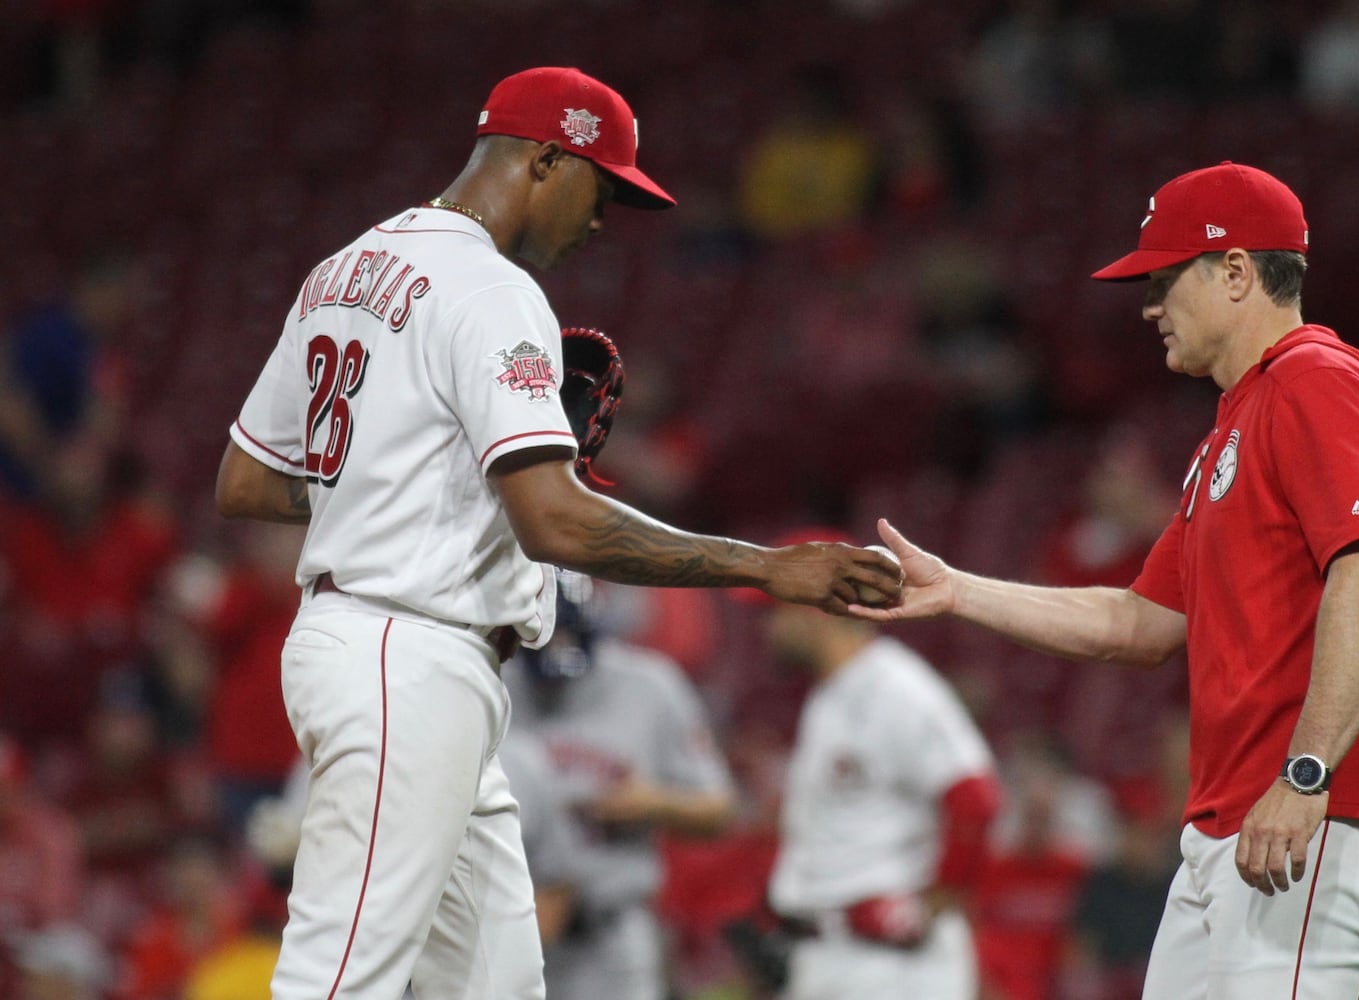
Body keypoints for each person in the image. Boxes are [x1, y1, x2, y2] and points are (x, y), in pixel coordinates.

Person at [212, 66, 902, 1000]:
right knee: (338, 980)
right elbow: (556, 521)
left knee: (496, 985)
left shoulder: (348, 268)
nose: (602, 218)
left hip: (395, 655)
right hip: (404, 658)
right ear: (544, 159)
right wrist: (767, 567)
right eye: (601, 187)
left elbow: (249, 481)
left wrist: (403, 489)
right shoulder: (490, 289)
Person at [852, 161, 1359, 999]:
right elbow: (1136, 624)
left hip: (1313, 808)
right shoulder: (1231, 428)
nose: (1146, 306)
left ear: (1237, 271)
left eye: (1165, 279)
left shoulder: (1319, 381)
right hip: (1237, 817)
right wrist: (957, 589)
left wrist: (1305, 774)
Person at [751, 528, 1001, 1000]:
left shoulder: (896, 686)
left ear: (818, 603)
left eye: (775, 608)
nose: (768, 628)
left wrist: (935, 904)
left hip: (892, 965)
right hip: (827, 953)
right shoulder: (831, 693)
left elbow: (976, 799)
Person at [497, 572, 737, 1000]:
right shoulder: (493, 681)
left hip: (608, 931)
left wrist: (655, 803)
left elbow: (720, 810)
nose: (558, 651)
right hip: (502, 928)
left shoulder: (649, 686)